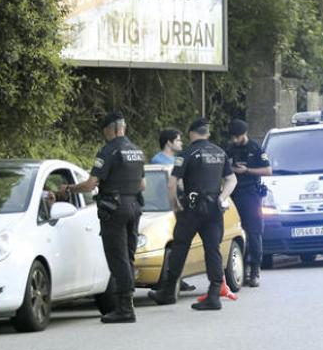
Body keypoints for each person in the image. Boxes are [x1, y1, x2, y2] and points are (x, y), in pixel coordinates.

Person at [64, 112, 145, 324]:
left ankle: (125, 309)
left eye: (105, 131)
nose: (105, 135)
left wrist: (71, 188)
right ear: (124, 128)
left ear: (112, 129)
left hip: (115, 209)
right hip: (134, 206)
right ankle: (126, 304)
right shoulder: (137, 151)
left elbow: (91, 184)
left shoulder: (109, 150)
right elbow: (142, 185)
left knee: (117, 257)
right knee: (127, 256)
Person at [149, 118, 237, 310]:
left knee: (180, 247)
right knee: (212, 249)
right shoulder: (220, 152)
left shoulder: (187, 153)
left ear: (191, 133)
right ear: (208, 133)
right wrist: (221, 198)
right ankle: (214, 294)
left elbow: (172, 183)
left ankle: (168, 291)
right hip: (214, 209)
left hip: (191, 209)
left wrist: (175, 206)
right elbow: (232, 180)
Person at [226, 119, 272, 287]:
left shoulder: (255, 148)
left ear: (243, 134)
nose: (234, 140)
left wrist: (247, 171)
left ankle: (254, 270)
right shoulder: (229, 149)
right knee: (236, 232)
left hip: (251, 194)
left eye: (237, 137)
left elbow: (268, 170)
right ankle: (241, 269)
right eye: (232, 137)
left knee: (254, 233)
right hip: (234, 195)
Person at [149, 128, 195, 292]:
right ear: (169, 142)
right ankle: (172, 280)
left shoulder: (178, 159)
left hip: (179, 202)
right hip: (166, 204)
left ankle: (178, 279)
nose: (181, 143)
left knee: (181, 243)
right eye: (178, 140)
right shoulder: (158, 161)